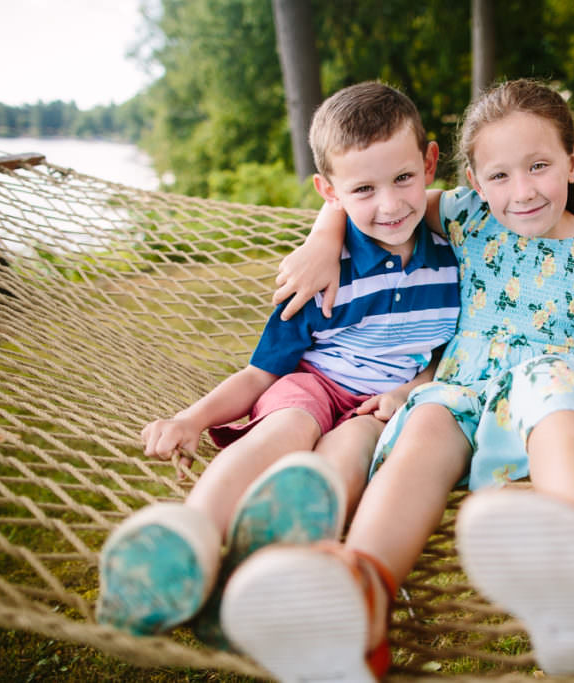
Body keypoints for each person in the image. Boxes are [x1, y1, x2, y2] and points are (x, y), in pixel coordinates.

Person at [218, 78, 574, 681]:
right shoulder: (465, 214)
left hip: (545, 381)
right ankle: (362, 592)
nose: (521, 191)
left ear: (573, 160)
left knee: (559, 398)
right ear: (474, 181)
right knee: (422, 424)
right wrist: (323, 236)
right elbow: (362, 191)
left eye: (539, 166)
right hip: (459, 386)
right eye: (499, 175)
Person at [95, 82, 461, 643]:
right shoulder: (322, 273)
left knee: (345, 461)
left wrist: (415, 385)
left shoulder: (455, 259)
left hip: (374, 409)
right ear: (329, 191)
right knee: (288, 428)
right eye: (363, 188)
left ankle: (266, 570)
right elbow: (261, 373)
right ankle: (189, 535)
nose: (390, 205)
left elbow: (446, 349)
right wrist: (192, 419)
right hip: (311, 384)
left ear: (430, 162)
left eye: (404, 179)